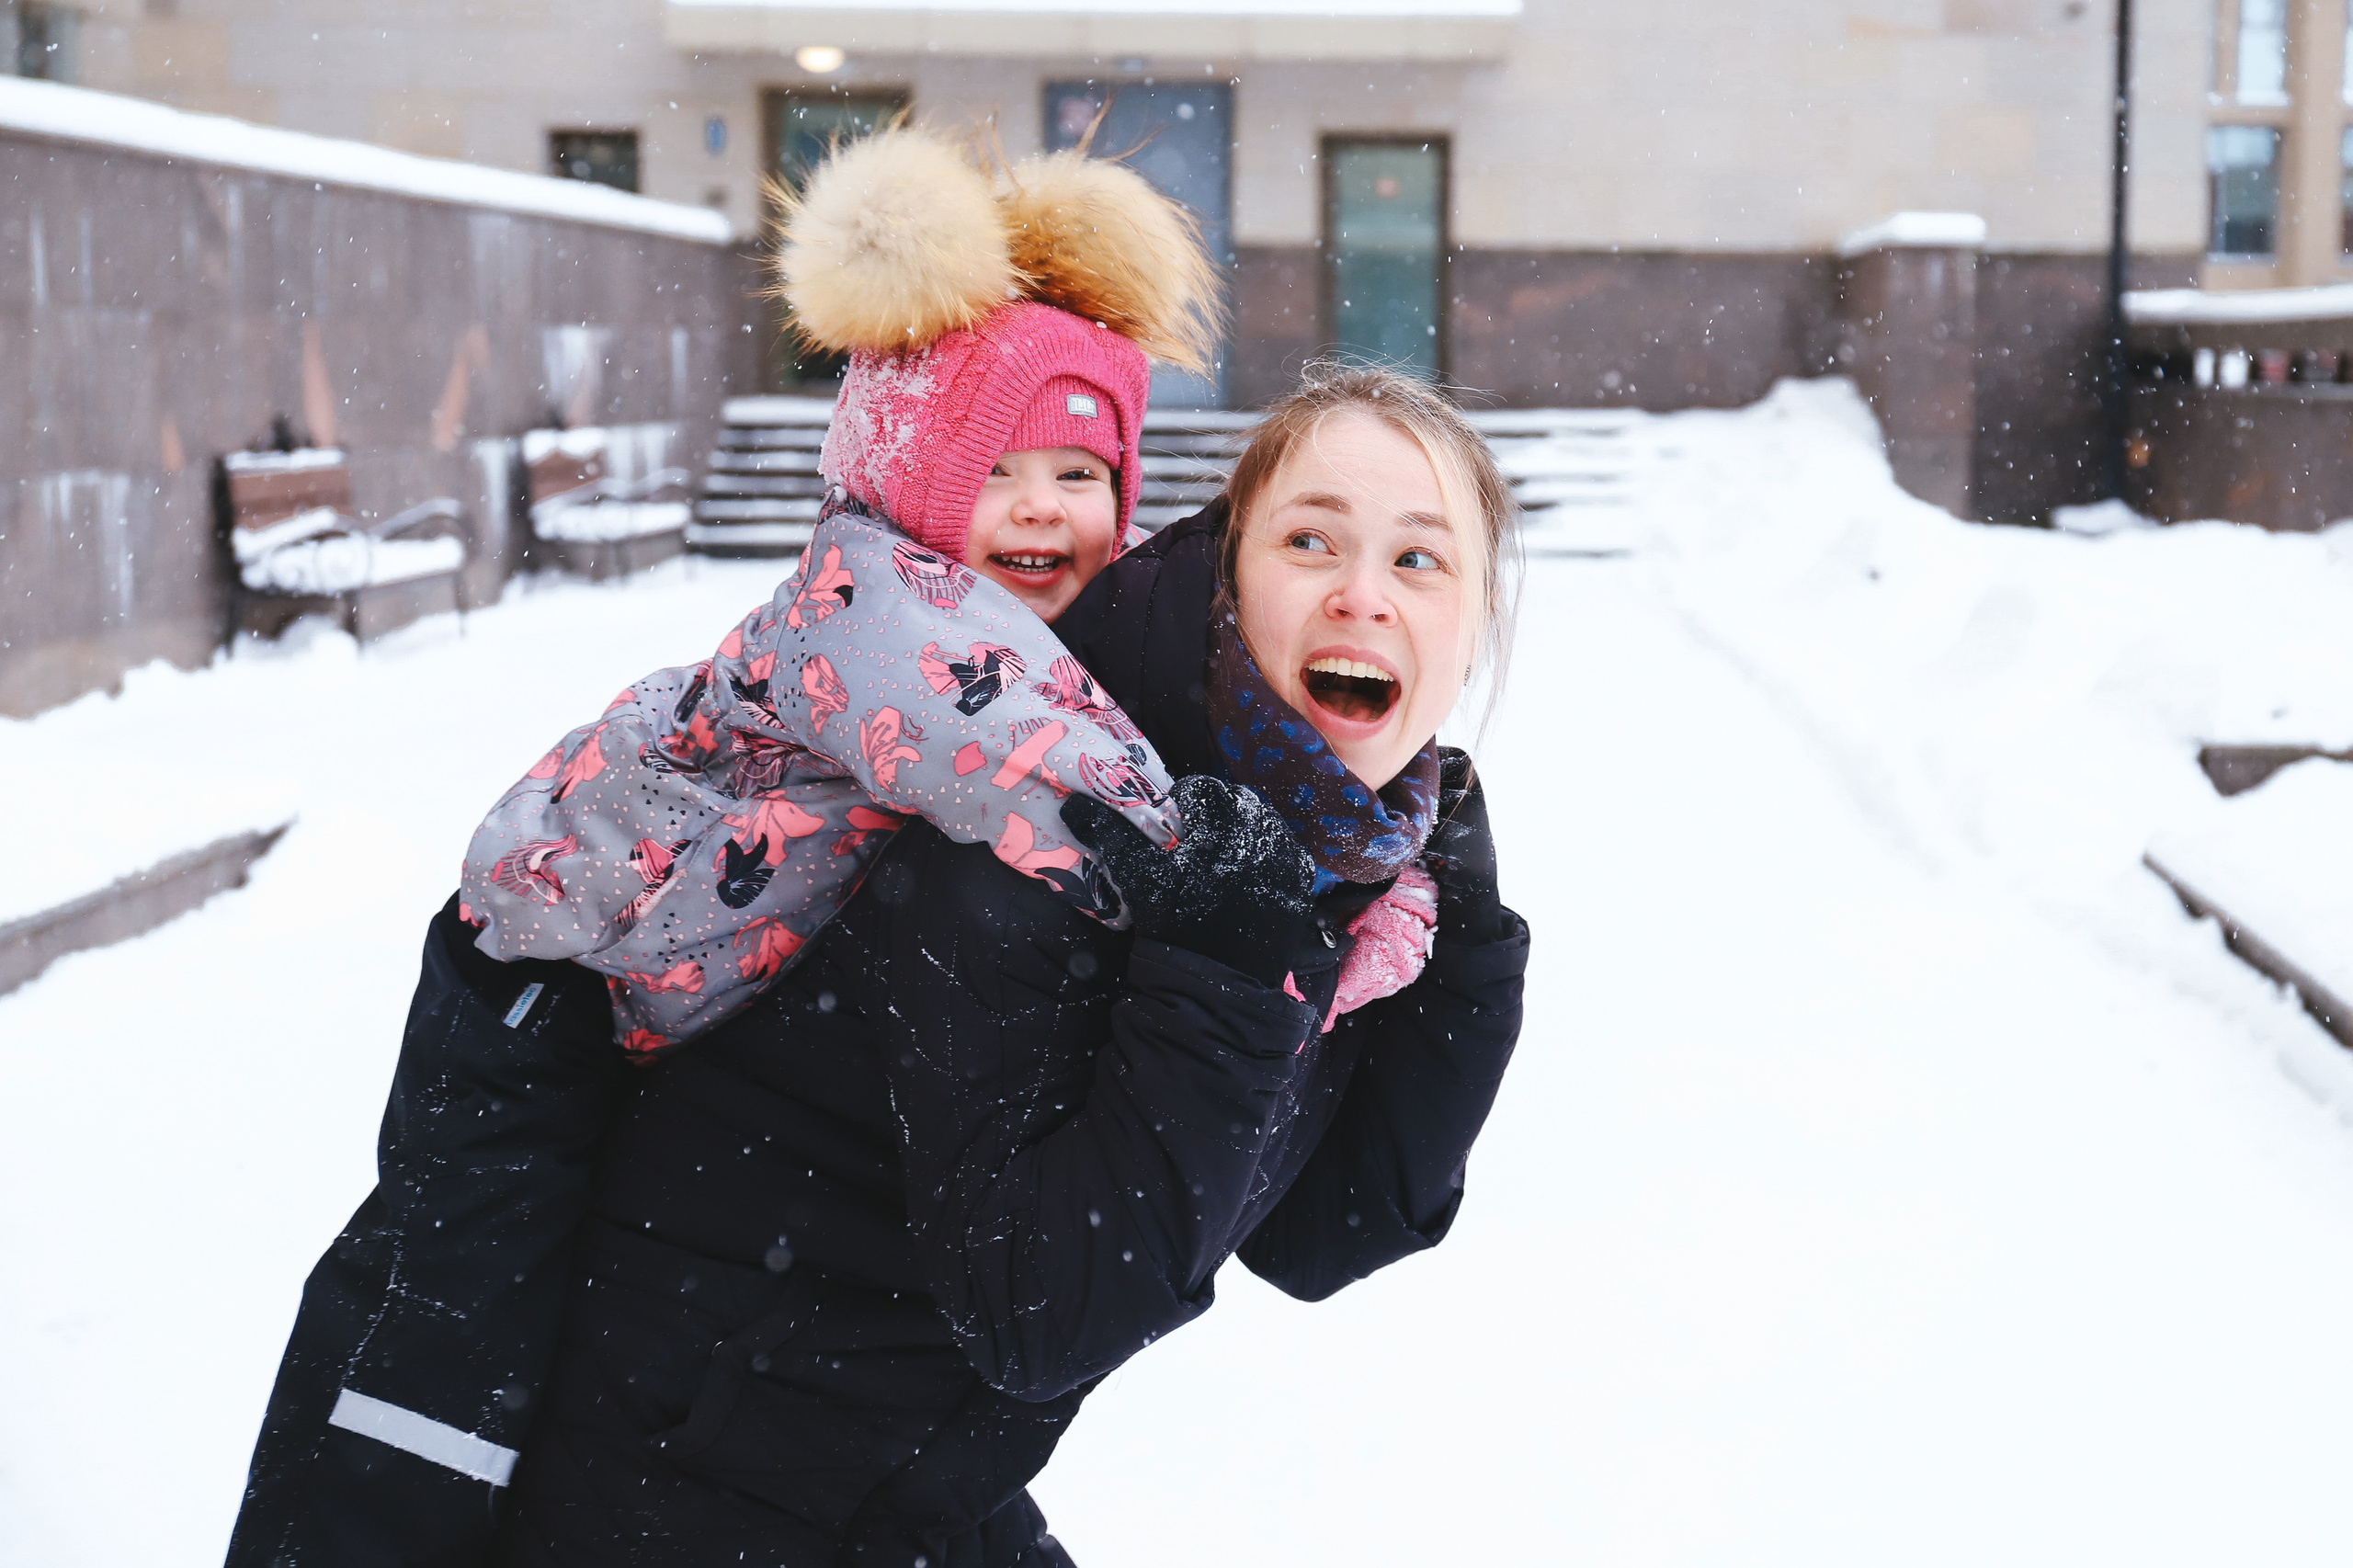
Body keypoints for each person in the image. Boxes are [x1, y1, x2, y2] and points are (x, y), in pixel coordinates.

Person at [483, 362, 1529, 1567]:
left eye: (1420, 559)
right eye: (1311, 540)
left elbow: (1327, 1230)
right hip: (680, 1470)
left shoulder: (1333, 851)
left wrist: (1468, 948)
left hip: (895, 1477)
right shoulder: (1059, 798)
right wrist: (1227, 977)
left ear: (1472, 630)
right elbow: (1044, 1310)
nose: (1363, 595)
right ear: (1232, 575)